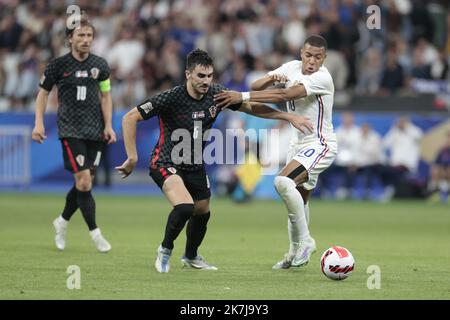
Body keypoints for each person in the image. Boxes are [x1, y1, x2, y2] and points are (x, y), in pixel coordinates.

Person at [115, 48, 314, 273]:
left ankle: (191, 256)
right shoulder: (171, 97)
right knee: (184, 207)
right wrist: (132, 156)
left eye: (210, 76)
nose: (206, 81)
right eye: (201, 76)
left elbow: (251, 107)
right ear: (188, 74)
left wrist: (287, 116)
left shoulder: (217, 94)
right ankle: (165, 250)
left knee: (202, 211)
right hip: (164, 161)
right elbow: (130, 117)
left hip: (194, 165)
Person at [215, 35, 337, 269]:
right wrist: (272, 78)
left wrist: (242, 97)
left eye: (318, 57)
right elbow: (256, 85)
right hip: (299, 143)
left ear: (325, 58)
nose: (312, 61)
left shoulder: (323, 78)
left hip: (320, 143)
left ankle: (306, 241)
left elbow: (286, 95)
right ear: (301, 52)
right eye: (308, 55)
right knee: (299, 201)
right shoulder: (291, 67)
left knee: (282, 181)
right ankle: (293, 253)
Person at [31, 15, 116, 252]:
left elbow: (106, 95)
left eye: (89, 35)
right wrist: (38, 123)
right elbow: (43, 93)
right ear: (70, 39)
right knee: (85, 180)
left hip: (95, 130)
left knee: (83, 183)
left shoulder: (101, 66)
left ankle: (62, 221)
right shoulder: (58, 66)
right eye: (81, 35)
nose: (86, 40)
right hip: (70, 129)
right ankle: (96, 234)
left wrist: (108, 126)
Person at [427, 132, 450, 203]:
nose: (447, 141)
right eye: (447, 139)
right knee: (436, 170)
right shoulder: (442, 151)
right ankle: (439, 192)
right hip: (443, 171)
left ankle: (444, 193)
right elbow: (436, 163)